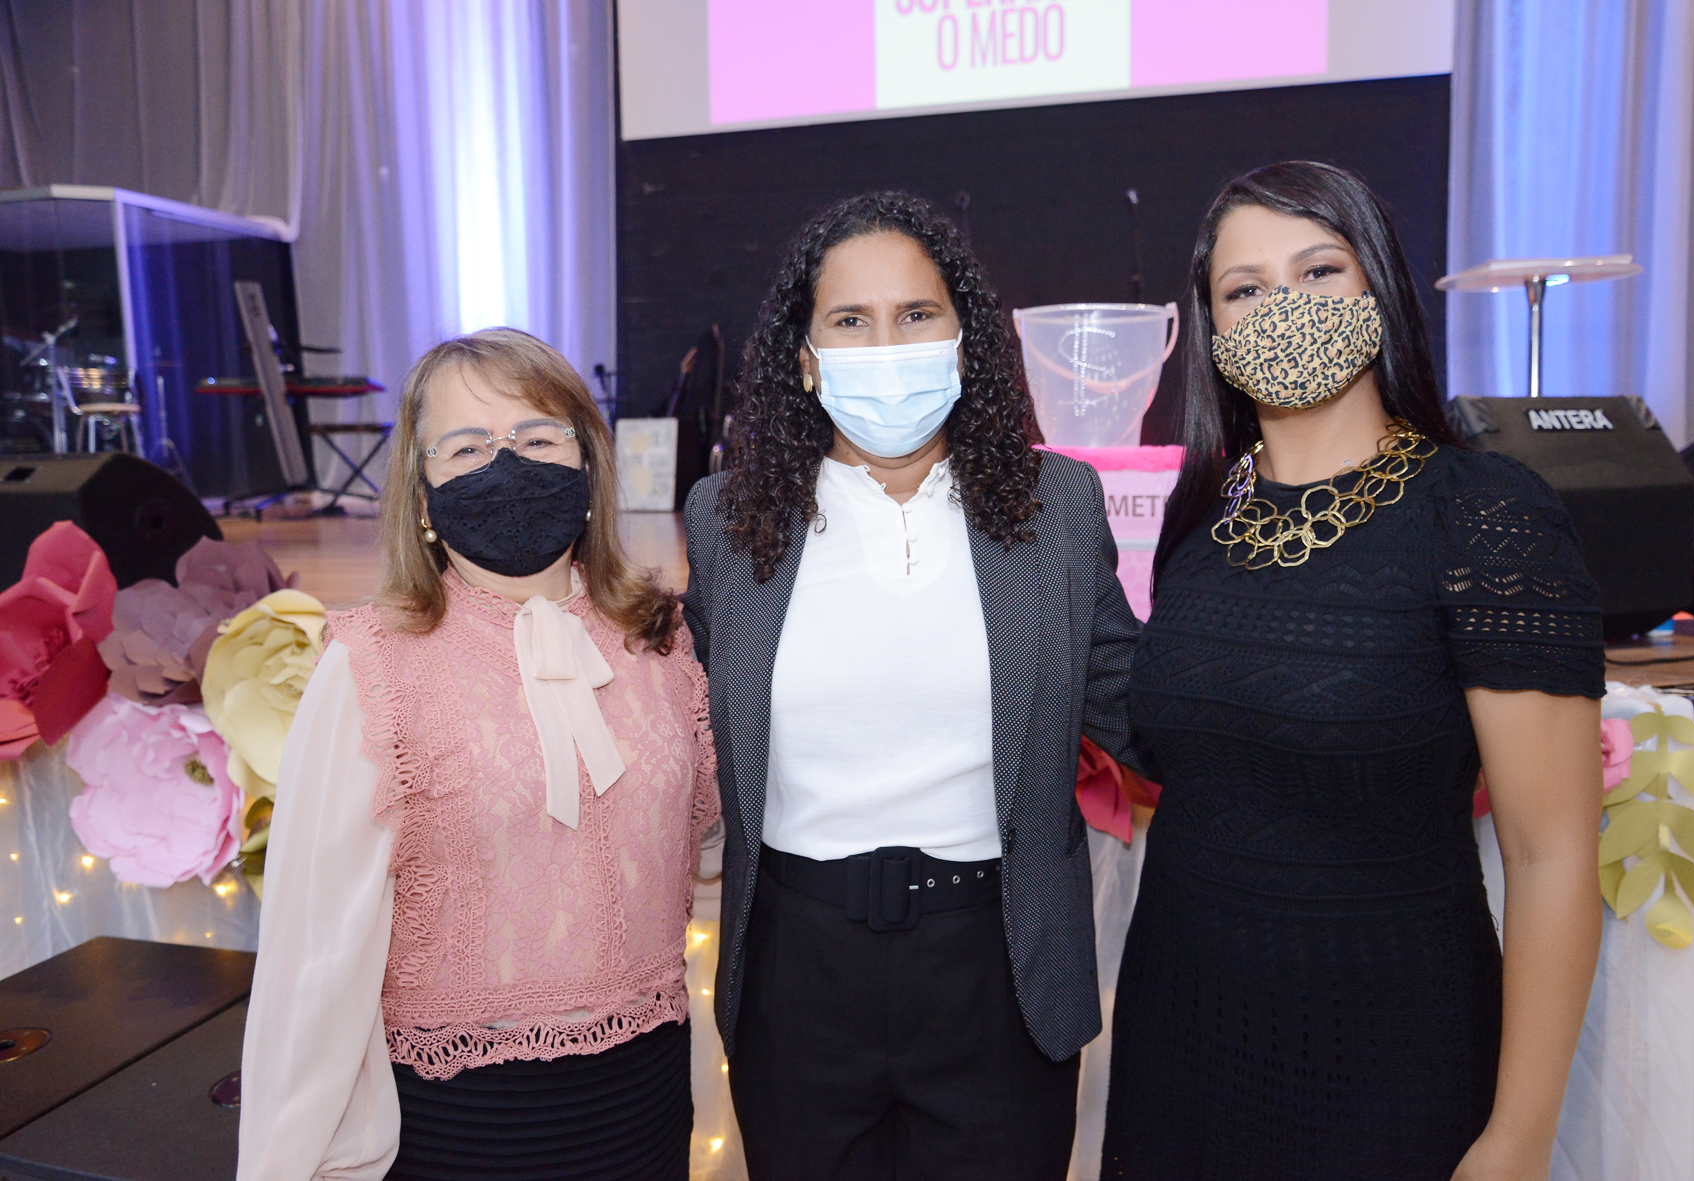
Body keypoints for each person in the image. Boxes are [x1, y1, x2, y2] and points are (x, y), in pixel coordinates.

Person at [1101, 162, 1605, 1181]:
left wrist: (1516, 1137)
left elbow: (1551, 856)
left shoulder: (1479, 511)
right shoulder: (1203, 517)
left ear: (1375, 287)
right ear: (1209, 325)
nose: (1281, 306)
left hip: (1390, 1057)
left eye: (1318, 269)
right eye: (1244, 288)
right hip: (1178, 1045)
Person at [680, 190, 1153, 1179]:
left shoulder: (1054, 507)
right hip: (794, 977)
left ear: (964, 339)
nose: (882, 343)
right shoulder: (726, 519)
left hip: (998, 968)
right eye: (849, 320)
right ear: (803, 358)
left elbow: (1140, 709)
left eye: (914, 314)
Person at [236, 328, 718, 1181]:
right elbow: (316, 956)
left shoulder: (658, 639)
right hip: (463, 1120)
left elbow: (704, 840)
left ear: (587, 464)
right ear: (422, 494)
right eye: (466, 447)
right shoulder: (371, 667)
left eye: (536, 439)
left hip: (641, 1098)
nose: (507, 466)